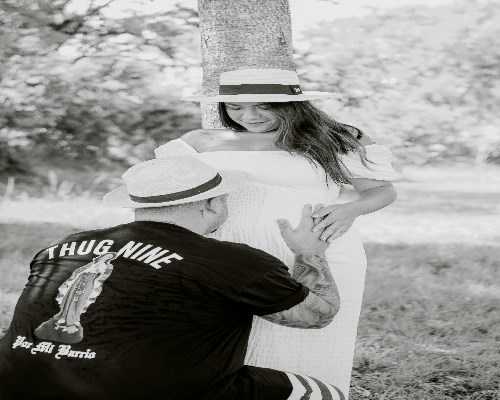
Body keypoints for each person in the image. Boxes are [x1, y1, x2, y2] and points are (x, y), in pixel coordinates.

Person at [0, 156, 345, 400]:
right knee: (326, 394)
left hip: (16, 385)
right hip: (142, 392)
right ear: (212, 204)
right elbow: (318, 315)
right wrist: (309, 252)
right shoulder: (233, 261)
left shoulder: (65, 246)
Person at [155, 68, 399, 396]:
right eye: (236, 107)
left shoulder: (335, 137)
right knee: (236, 340)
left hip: (314, 248)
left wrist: (349, 210)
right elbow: (165, 194)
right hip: (231, 250)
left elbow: (382, 192)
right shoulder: (201, 142)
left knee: (313, 336)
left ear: (292, 105)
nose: (249, 116)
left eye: (263, 106)